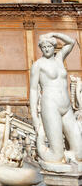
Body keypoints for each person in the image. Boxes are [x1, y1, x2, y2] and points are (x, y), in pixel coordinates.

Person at [30, 33, 82, 164]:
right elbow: (33, 89)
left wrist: (53, 34)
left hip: (67, 107)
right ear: (41, 49)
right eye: (43, 47)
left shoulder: (60, 59)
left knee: (80, 153)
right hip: (50, 106)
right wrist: (35, 117)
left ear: (54, 47)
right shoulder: (38, 65)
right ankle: (42, 146)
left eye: (49, 46)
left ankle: (69, 158)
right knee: (56, 157)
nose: (46, 49)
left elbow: (71, 42)